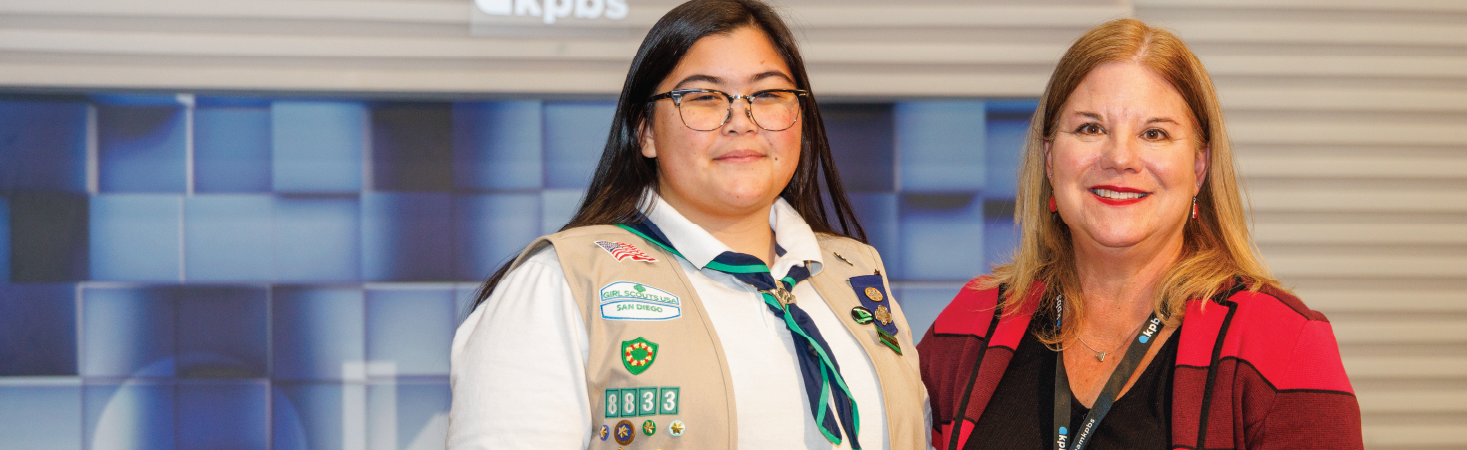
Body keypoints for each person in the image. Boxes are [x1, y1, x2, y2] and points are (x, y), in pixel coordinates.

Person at [447, 1, 928, 448]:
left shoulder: (855, 272)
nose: (741, 120)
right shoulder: (560, 282)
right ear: (646, 131)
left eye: (767, 94)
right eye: (703, 97)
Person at [917, 18, 1363, 450]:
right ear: (1051, 159)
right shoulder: (969, 323)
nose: (1120, 158)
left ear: (1198, 168)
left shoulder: (1284, 346)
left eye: (1154, 133)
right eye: (1091, 128)